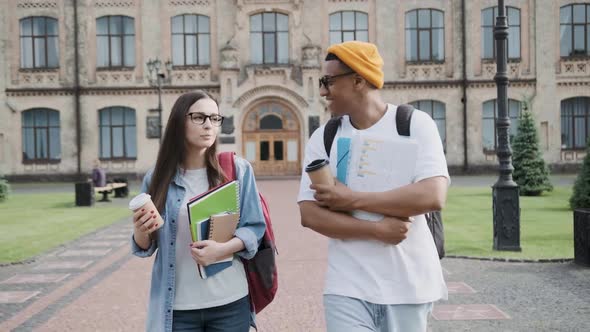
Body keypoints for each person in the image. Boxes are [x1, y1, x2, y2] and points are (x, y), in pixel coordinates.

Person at [297, 41, 449, 332]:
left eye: (328, 81)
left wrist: (351, 199)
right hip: (346, 286)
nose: (322, 91)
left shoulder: (415, 125)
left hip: (409, 286)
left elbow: (433, 195)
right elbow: (310, 214)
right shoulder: (324, 137)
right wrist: (376, 230)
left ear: (358, 81)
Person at [131, 90, 266, 332]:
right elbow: (146, 246)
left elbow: (254, 228)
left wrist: (222, 250)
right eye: (199, 118)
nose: (209, 126)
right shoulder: (157, 178)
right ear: (179, 122)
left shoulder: (237, 169)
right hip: (178, 308)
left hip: (230, 301)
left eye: (215, 119)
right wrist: (141, 230)